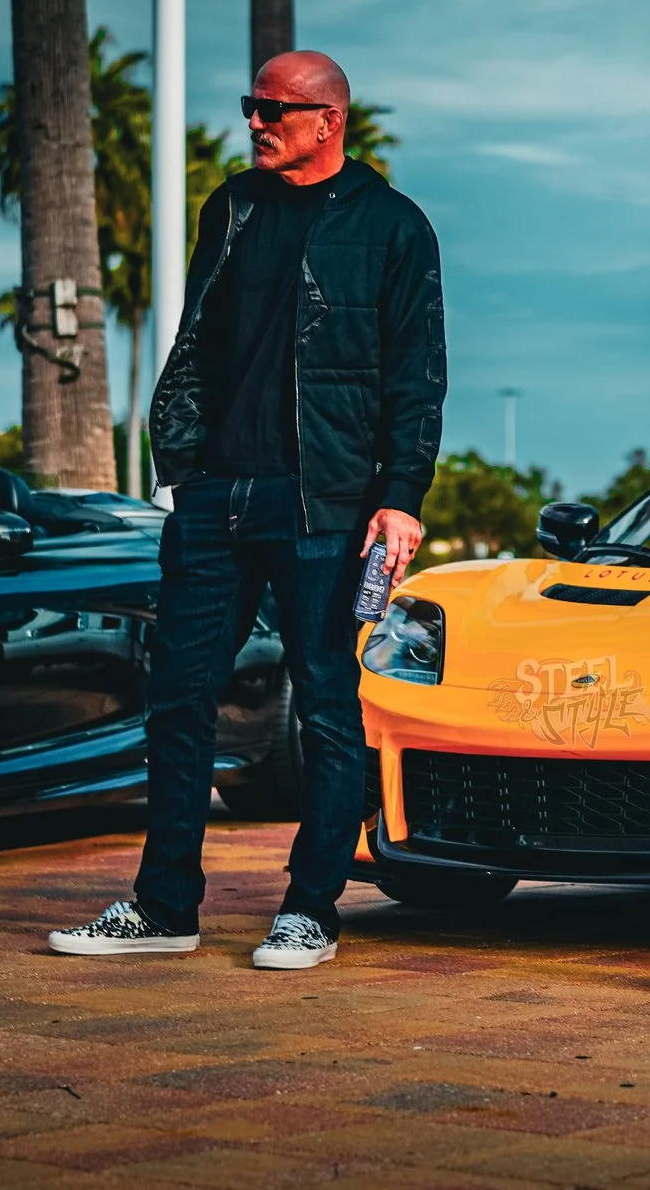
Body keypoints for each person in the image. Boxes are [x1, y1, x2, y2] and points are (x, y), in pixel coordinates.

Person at [50, 51, 444, 971]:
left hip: (327, 501)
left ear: (328, 121)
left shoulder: (393, 227)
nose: (257, 122)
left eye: (274, 109)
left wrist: (401, 498)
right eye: (250, 105)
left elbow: (417, 376)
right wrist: (181, 468)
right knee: (178, 696)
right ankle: (164, 905)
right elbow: (199, 339)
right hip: (216, 495)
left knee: (327, 702)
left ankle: (311, 908)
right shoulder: (232, 206)